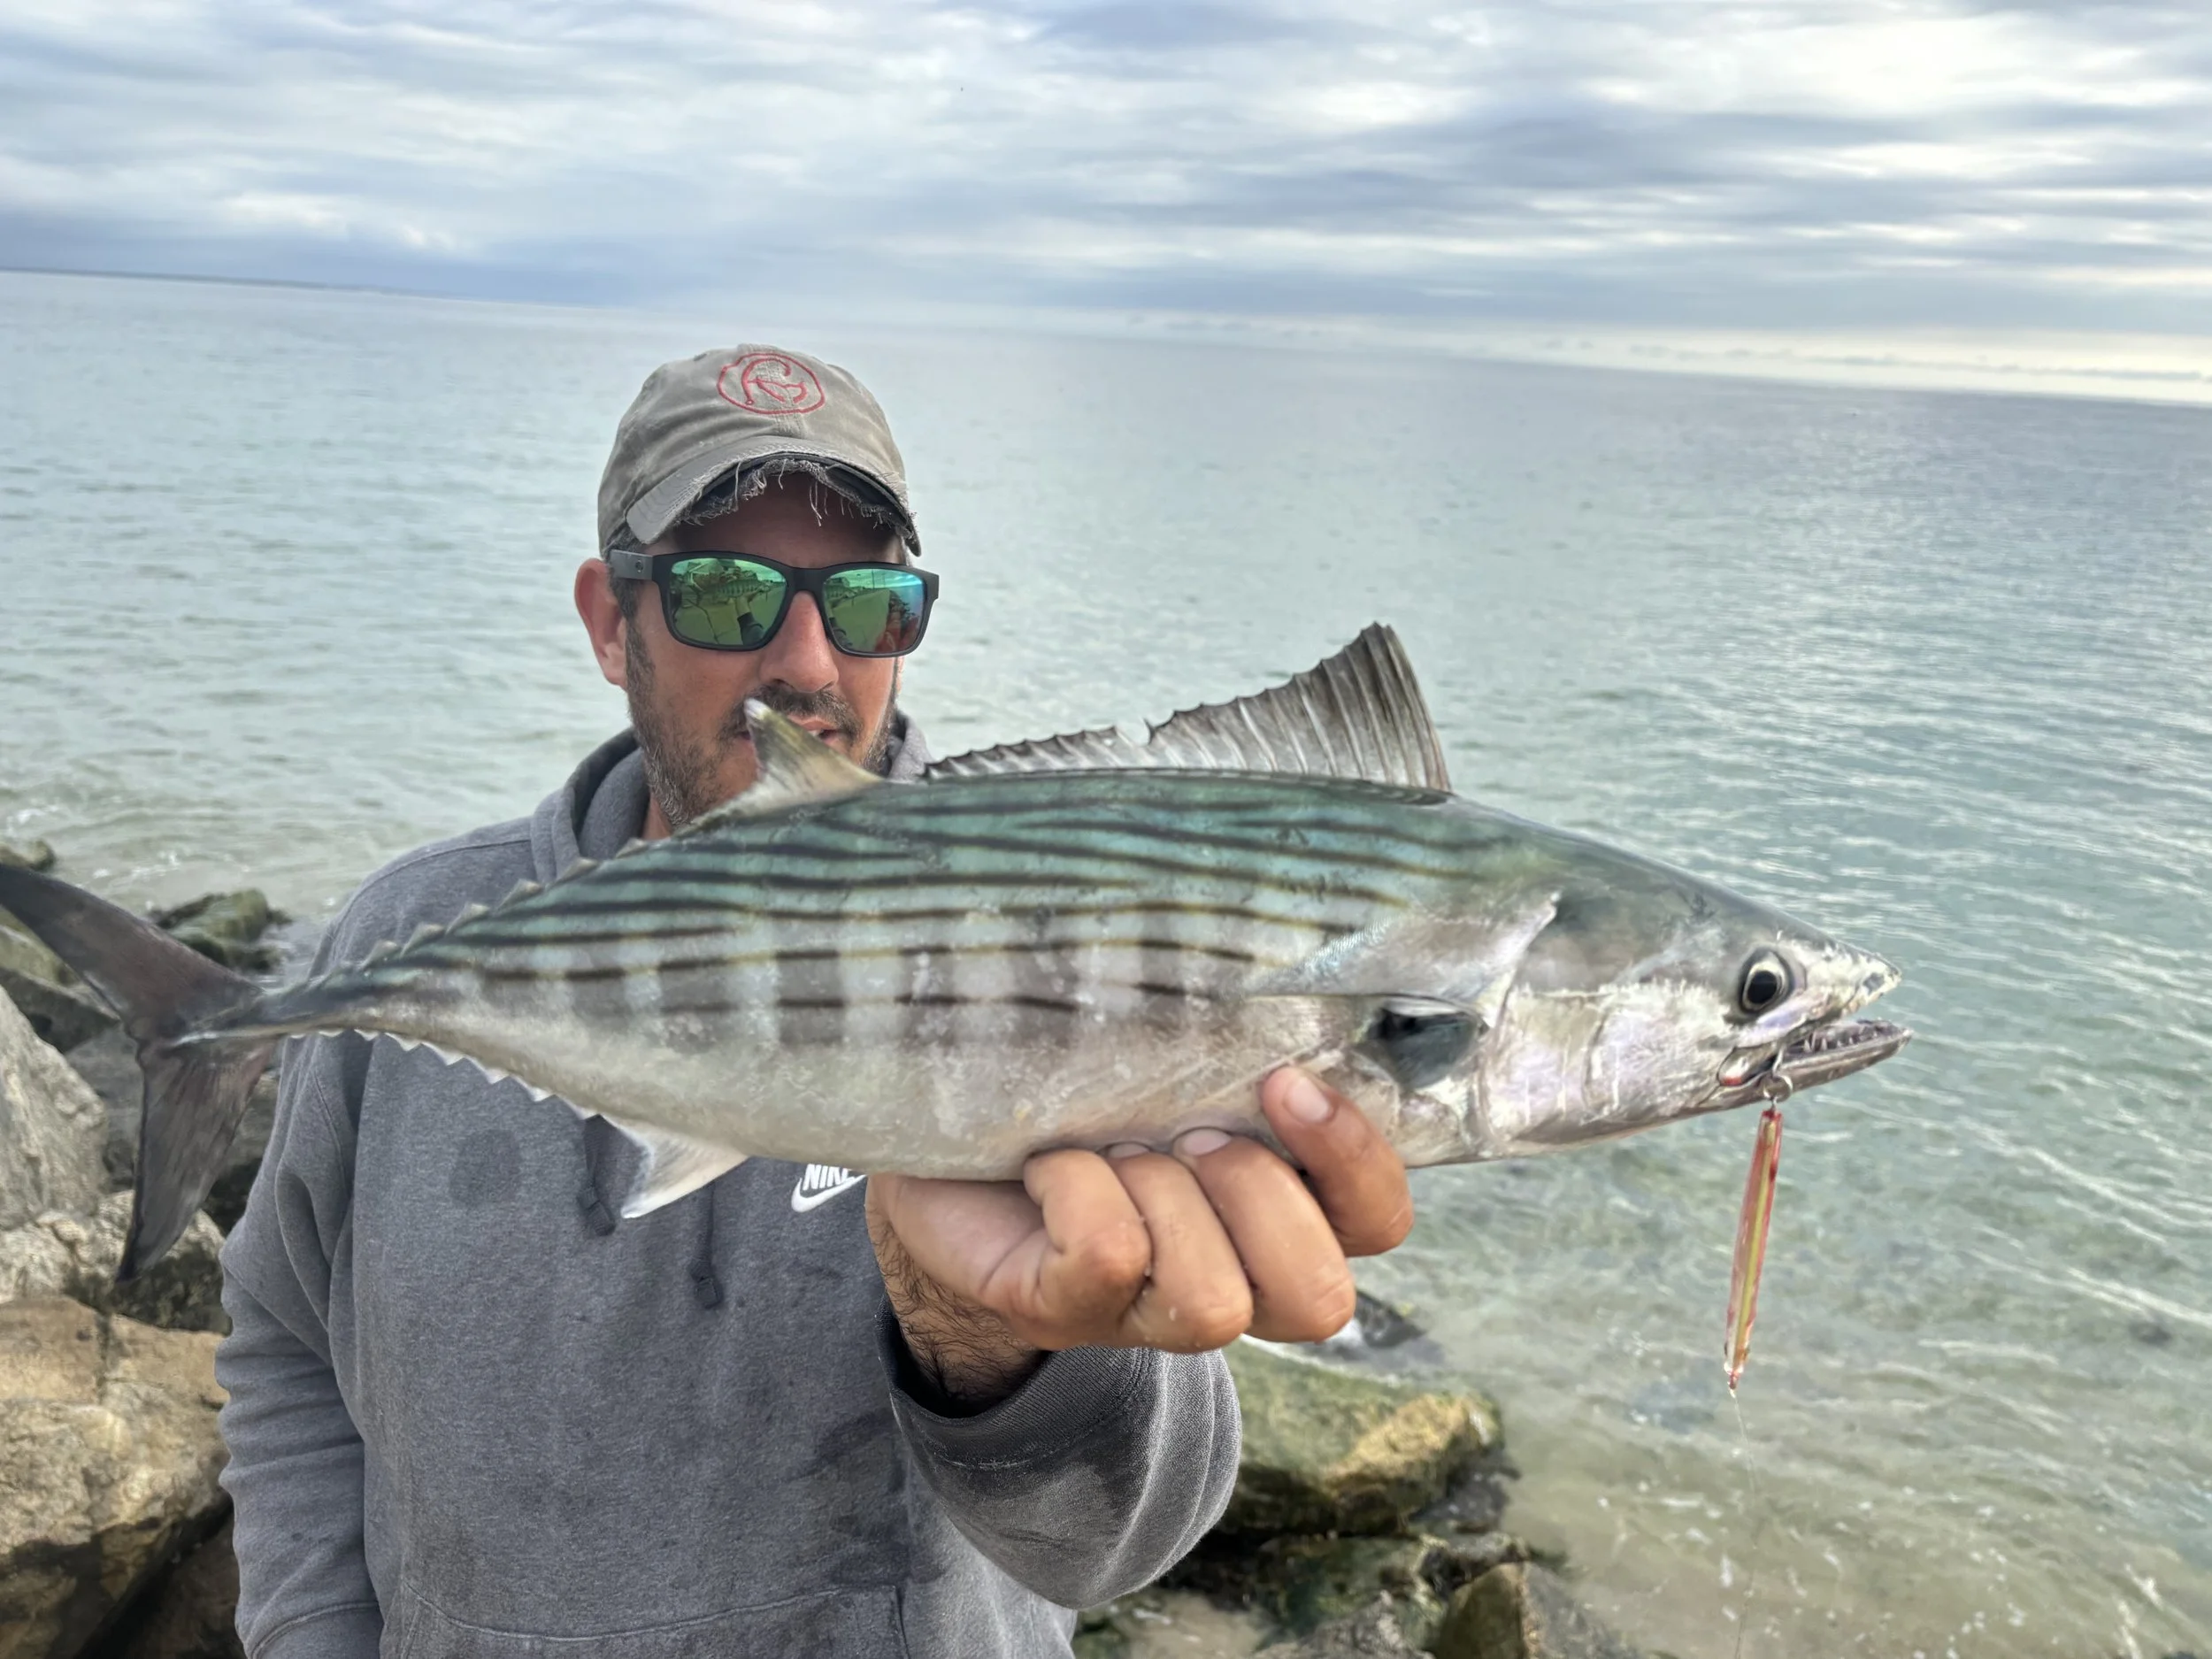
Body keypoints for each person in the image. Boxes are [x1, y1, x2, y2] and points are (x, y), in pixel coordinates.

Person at [215, 345, 1416, 1659]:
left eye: (868, 603)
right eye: (728, 594)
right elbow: (284, 1338)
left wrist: (994, 1339)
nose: (809, 663)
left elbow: (1120, 1546)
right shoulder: (404, 928)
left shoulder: (1052, 929)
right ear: (610, 619)